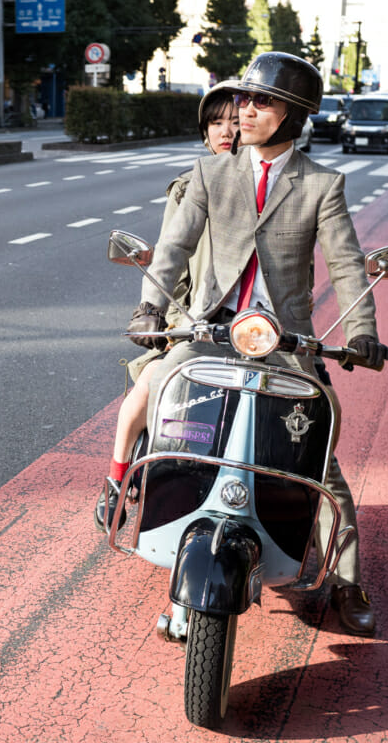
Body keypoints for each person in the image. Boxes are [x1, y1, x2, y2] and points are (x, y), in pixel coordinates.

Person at [105, 52, 388, 638]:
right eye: (243, 99)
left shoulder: (322, 184)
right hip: (210, 329)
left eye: (261, 101)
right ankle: (131, 494)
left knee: (321, 455)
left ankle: (346, 581)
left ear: (294, 114)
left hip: (284, 340)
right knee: (162, 399)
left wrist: (362, 333)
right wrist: (151, 308)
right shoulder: (214, 172)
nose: (246, 110)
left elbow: (344, 266)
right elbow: (175, 245)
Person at [96, 80, 241, 535]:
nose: (227, 131)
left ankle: (341, 576)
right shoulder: (189, 188)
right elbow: (170, 259)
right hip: (197, 323)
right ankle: (118, 479)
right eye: (216, 123)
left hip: (262, 332)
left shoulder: (279, 188)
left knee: (316, 431)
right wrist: (157, 315)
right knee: (147, 389)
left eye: (236, 121)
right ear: (203, 133)